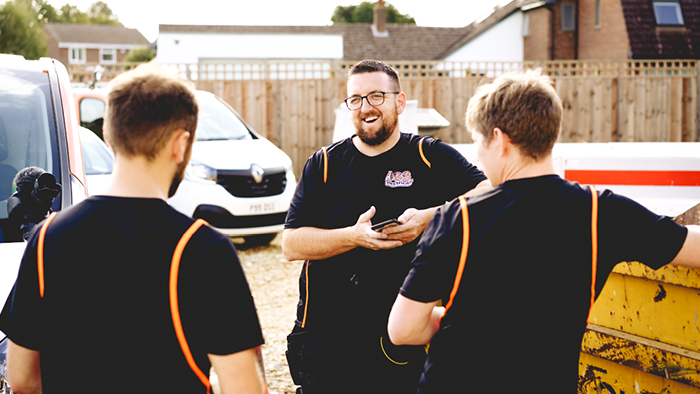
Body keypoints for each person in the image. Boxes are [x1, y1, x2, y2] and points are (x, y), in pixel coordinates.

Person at [387, 68, 700, 393]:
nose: (477, 155)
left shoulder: (457, 219)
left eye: (478, 141)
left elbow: (403, 330)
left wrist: (454, 317)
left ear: (499, 140)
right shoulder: (601, 211)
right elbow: (692, 244)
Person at [0, 63, 267, 394]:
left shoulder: (46, 239)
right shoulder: (204, 250)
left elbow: (23, 378)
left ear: (109, 137)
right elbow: (244, 388)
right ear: (181, 144)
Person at [282, 59, 490, 394]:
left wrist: (430, 218)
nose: (366, 107)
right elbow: (291, 244)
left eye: (377, 96)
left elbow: (488, 196)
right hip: (326, 337)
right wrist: (353, 237)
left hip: (399, 335)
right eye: (356, 99)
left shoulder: (428, 156)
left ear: (400, 101)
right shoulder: (323, 165)